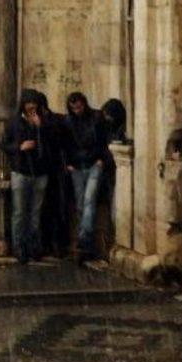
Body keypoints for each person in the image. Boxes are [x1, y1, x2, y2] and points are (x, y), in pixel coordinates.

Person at [1, 89, 52, 263]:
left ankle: (33, 248)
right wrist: (19, 147)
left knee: (35, 213)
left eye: (34, 104)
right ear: (23, 104)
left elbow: (51, 144)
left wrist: (40, 127)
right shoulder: (13, 122)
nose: (32, 107)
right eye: (29, 103)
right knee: (19, 213)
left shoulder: (43, 121)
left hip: (40, 172)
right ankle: (19, 248)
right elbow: (4, 145)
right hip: (21, 171)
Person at [64, 92, 109, 262]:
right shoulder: (68, 122)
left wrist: (101, 159)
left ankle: (83, 241)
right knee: (82, 204)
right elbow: (65, 143)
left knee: (89, 200)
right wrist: (68, 162)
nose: (77, 110)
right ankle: (87, 244)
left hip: (93, 164)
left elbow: (103, 140)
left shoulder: (96, 117)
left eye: (80, 107)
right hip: (76, 166)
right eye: (74, 108)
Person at [36, 91, 70, 258]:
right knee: (44, 209)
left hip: (56, 170)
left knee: (59, 208)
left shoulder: (56, 120)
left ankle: (58, 245)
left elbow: (58, 139)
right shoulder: (35, 121)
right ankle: (47, 244)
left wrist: (40, 127)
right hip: (42, 170)